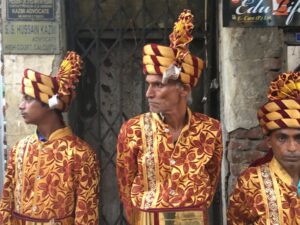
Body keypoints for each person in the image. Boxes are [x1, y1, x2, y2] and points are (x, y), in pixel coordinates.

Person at [116, 9, 223, 225]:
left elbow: (211, 182)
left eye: (158, 85)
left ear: (183, 89)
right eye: (148, 85)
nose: (149, 93)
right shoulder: (133, 129)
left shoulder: (211, 130)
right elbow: (125, 185)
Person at [0, 51, 100, 225]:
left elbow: (87, 215)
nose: (21, 105)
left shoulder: (81, 154)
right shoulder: (19, 149)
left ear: (49, 104)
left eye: (28, 99)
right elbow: (6, 204)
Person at [227, 72, 300, 224]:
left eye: (299, 138)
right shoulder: (250, 182)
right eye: (282, 138)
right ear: (268, 141)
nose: (292, 148)